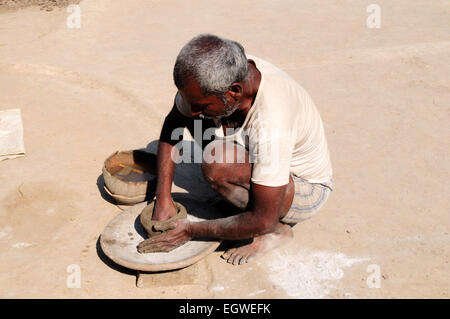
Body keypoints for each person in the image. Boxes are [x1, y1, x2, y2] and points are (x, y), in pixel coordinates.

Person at [138, 34, 333, 265]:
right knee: (196, 122)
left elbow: (264, 218)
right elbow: (174, 124)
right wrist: (163, 198)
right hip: (253, 151)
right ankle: (239, 201)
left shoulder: (272, 121)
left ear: (234, 92)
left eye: (201, 105)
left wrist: (190, 230)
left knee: (220, 165)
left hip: (303, 187)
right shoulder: (223, 71)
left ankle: (277, 233)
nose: (192, 111)